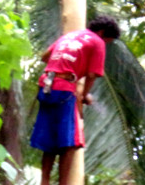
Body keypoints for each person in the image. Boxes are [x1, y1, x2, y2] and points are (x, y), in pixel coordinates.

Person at [31, 15, 120, 184]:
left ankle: (44, 181)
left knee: (50, 139)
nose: (106, 44)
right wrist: (82, 95)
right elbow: (93, 75)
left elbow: (45, 57)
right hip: (64, 89)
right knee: (71, 142)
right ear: (102, 33)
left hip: (46, 86)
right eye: (108, 40)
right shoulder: (97, 41)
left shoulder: (69, 36)